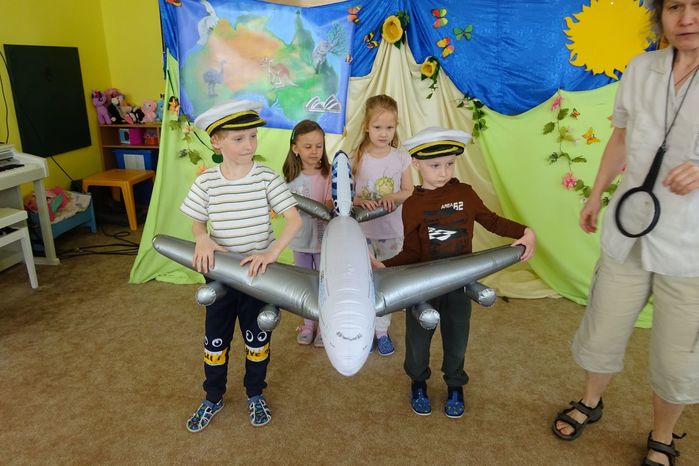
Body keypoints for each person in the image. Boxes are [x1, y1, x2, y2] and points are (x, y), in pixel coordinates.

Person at [551, 2, 699, 464]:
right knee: (603, 326)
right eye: (675, 6)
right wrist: (595, 195)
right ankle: (590, 402)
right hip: (629, 225)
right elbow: (620, 137)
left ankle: (663, 435)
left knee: (677, 354)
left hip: (690, 247)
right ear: (660, 16)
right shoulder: (641, 68)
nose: (687, 18)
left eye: (697, 6)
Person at [377, 127, 536, 418]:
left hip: (461, 286)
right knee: (417, 342)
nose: (443, 172)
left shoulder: (465, 193)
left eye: (449, 164)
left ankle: (455, 385)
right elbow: (411, 252)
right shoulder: (412, 205)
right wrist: (384, 267)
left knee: (457, 339)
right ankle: (418, 382)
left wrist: (525, 231)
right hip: (422, 287)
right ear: (416, 164)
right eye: (435, 165)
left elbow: (492, 221)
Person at [180, 99, 302, 431]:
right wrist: (202, 237)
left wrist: (272, 252)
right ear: (216, 141)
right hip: (220, 275)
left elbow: (293, 219)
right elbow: (196, 222)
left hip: (257, 276)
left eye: (252, 136)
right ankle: (213, 396)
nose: (249, 145)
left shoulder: (266, 177)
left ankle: (255, 393)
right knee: (215, 340)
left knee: (257, 339)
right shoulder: (206, 182)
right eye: (238, 138)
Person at [351, 94, 413, 356]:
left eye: (390, 127)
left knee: (385, 282)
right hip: (361, 234)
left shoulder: (401, 158)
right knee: (363, 283)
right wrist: (359, 200)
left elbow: (409, 191)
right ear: (366, 126)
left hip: (390, 233)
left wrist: (393, 197)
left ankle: (381, 331)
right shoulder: (356, 156)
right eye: (378, 127)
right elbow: (345, 196)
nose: (384, 133)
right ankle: (364, 330)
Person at [282, 119, 332, 347]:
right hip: (300, 240)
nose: (314, 151)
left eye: (319, 146)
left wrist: (322, 207)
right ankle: (308, 324)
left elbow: (330, 204)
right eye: (308, 146)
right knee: (304, 284)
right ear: (296, 148)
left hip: (324, 241)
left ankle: (324, 325)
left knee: (324, 284)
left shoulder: (328, 174)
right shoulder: (289, 177)